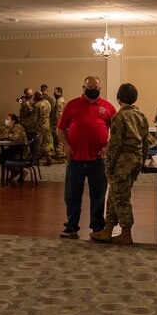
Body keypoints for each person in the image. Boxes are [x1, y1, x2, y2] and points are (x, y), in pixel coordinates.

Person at [56, 75, 115, 239]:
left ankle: (97, 227)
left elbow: (117, 130)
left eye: (95, 88)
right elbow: (60, 129)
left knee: (98, 195)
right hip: (75, 159)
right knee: (72, 194)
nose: (92, 91)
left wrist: (107, 146)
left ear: (100, 88)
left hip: (98, 160)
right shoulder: (72, 105)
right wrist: (65, 144)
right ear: (84, 87)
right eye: (89, 89)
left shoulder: (107, 107)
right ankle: (72, 226)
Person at [91, 83, 148, 246]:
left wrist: (109, 166)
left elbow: (115, 144)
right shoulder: (141, 116)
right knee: (114, 196)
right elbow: (145, 142)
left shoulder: (119, 117)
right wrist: (142, 161)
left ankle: (126, 232)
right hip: (135, 161)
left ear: (118, 99)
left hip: (122, 163)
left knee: (121, 199)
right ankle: (108, 229)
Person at [0, 113, 29, 185]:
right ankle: (17, 171)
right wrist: (9, 136)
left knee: (11, 158)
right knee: (1, 157)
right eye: (6, 119)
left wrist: (9, 136)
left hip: (20, 150)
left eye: (8, 119)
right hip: (12, 149)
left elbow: (16, 138)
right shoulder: (6, 128)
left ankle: (21, 171)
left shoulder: (19, 128)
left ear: (13, 121)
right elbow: (1, 137)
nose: (6, 121)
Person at [34, 91, 54, 165]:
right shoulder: (47, 103)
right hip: (47, 125)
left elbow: (34, 118)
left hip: (40, 127)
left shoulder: (37, 105)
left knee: (38, 143)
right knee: (46, 143)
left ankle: (36, 160)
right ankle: (49, 158)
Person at [51, 87, 66, 161]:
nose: (54, 94)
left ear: (60, 92)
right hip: (59, 123)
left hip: (58, 123)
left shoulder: (59, 101)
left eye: (55, 92)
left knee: (58, 139)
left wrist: (57, 124)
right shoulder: (59, 100)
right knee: (57, 139)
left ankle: (59, 155)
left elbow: (59, 114)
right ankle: (59, 154)